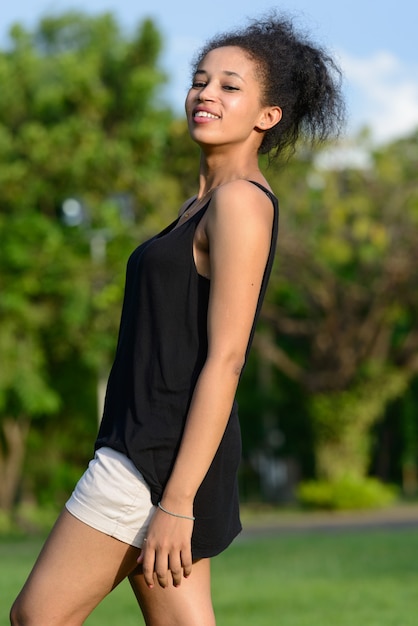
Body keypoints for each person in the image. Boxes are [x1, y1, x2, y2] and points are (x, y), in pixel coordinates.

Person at [10, 13, 344, 626]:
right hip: (155, 448)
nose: (206, 94)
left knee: (37, 616)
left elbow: (227, 357)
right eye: (200, 80)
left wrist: (178, 501)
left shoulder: (241, 202)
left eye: (230, 86)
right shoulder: (202, 204)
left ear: (267, 116)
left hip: (155, 458)